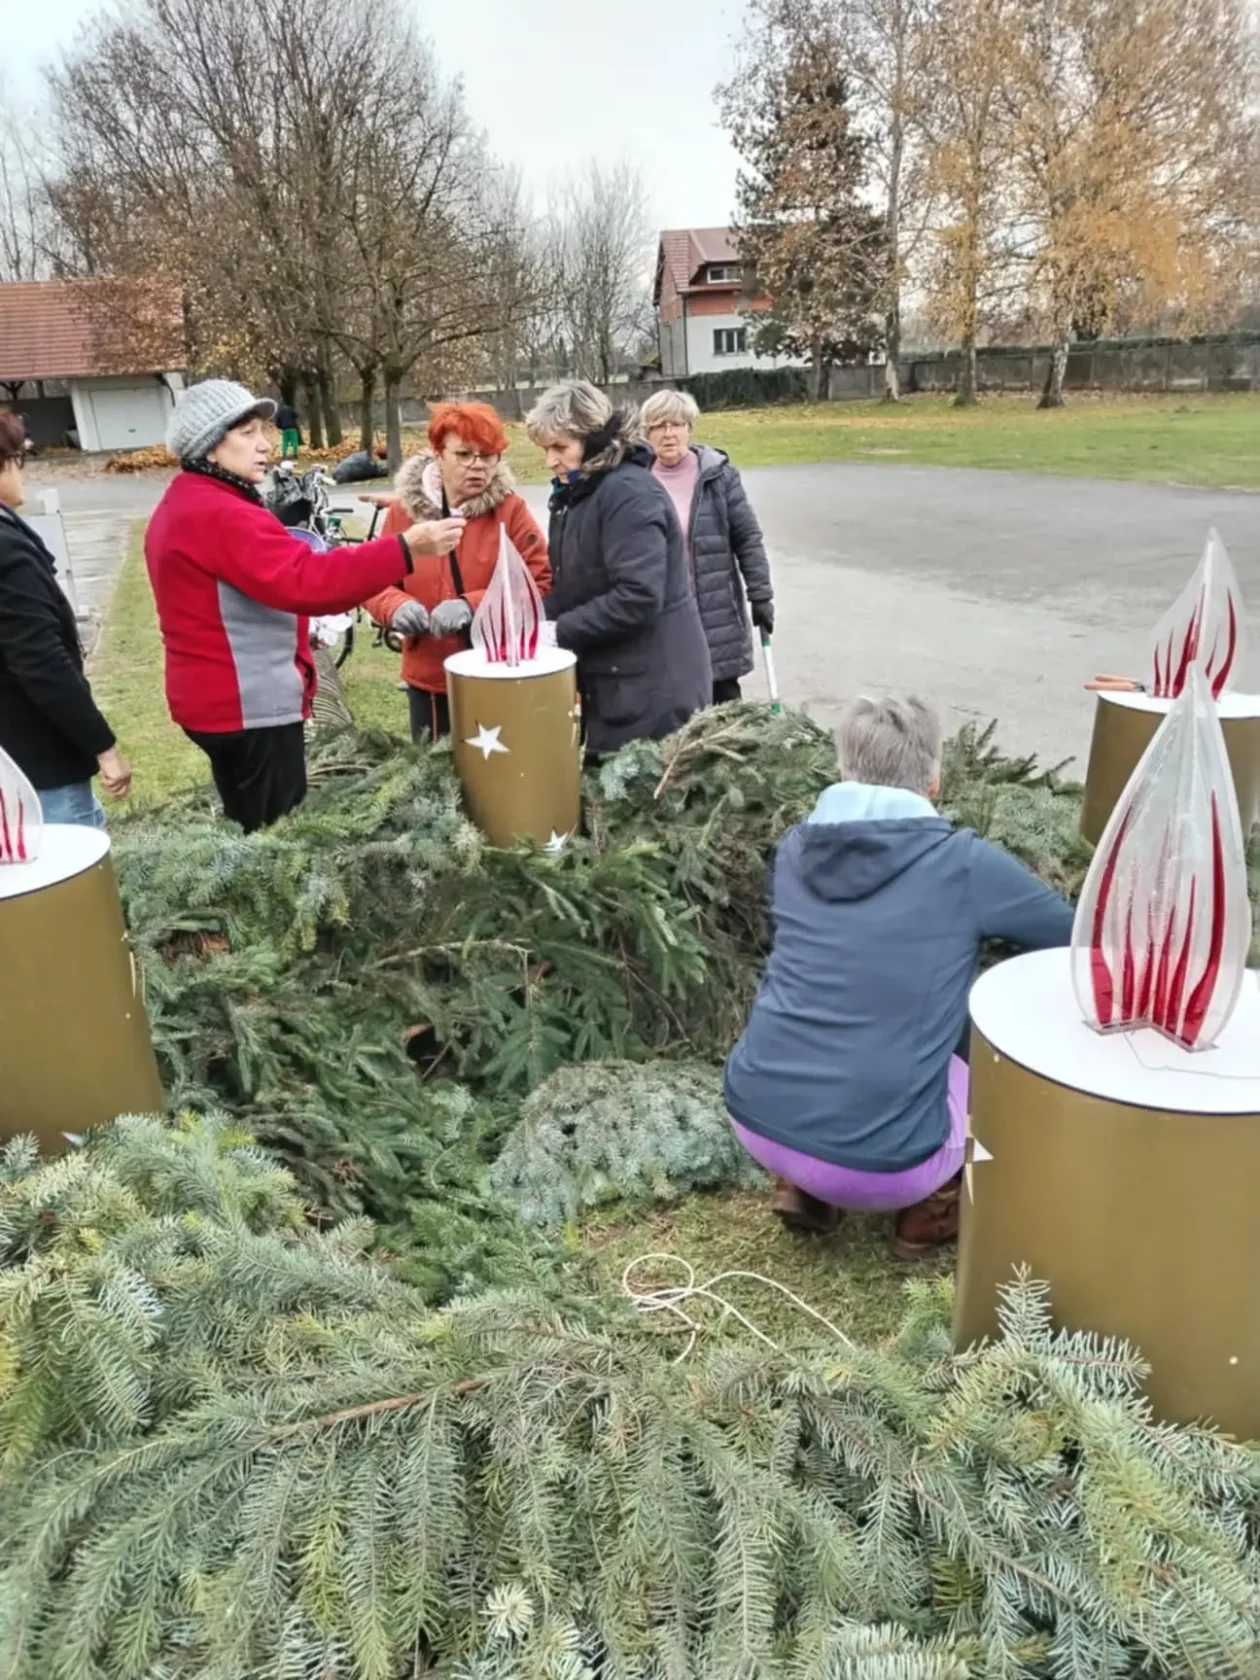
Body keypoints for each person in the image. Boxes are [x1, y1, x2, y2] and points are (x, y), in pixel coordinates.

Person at [725, 695, 1074, 1257]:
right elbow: (1071, 936)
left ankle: (802, 1187)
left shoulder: (793, 849)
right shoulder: (964, 863)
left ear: (842, 771)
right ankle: (932, 1206)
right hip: (887, 1166)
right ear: (933, 782)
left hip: (756, 1121)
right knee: (978, 1007)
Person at [146, 379, 465, 832]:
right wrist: (406, 548)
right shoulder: (218, 513)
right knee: (279, 838)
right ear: (210, 447)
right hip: (247, 708)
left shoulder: (192, 500)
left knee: (249, 823)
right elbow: (307, 582)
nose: (265, 445)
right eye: (248, 433)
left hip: (216, 701)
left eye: (265, 431)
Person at [525, 381, 711, 758]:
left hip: (654, 693)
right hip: (616, 684)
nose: (551, 461)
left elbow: (638, 596)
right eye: (546, 449)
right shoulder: (576, 495)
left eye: (560, 448)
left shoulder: (629, 495)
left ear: (593, 439)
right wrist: (533, 619)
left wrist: (559, 631)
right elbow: (575, 582)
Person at [364, 402, 550, 742]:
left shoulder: (511, 511)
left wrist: (472, 605)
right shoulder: (404, 514)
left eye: (488, 455)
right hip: (430, 676)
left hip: (496, 670)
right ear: (438, 454)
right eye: (464, 455)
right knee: (433, 776)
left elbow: (538, 583)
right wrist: (396, 606)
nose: (477, 467)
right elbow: (375, 582)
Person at [0, 410, 131, 827]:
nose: (22, 470)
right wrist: (104, 748)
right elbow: (41, 662)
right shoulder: (5, 551)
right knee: (67, 882)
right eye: (18, 458)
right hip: (37, 763)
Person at [641, 388, 774, 705]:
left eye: (676, 424)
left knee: (723, 708)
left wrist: (761, 595)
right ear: (647, 433)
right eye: (658, 426)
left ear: (690, 427)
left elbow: (748, 539)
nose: (668, 434)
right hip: (662, 617)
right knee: (670, 708)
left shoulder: (718, 477)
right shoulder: (636, 482)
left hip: (715, 616)